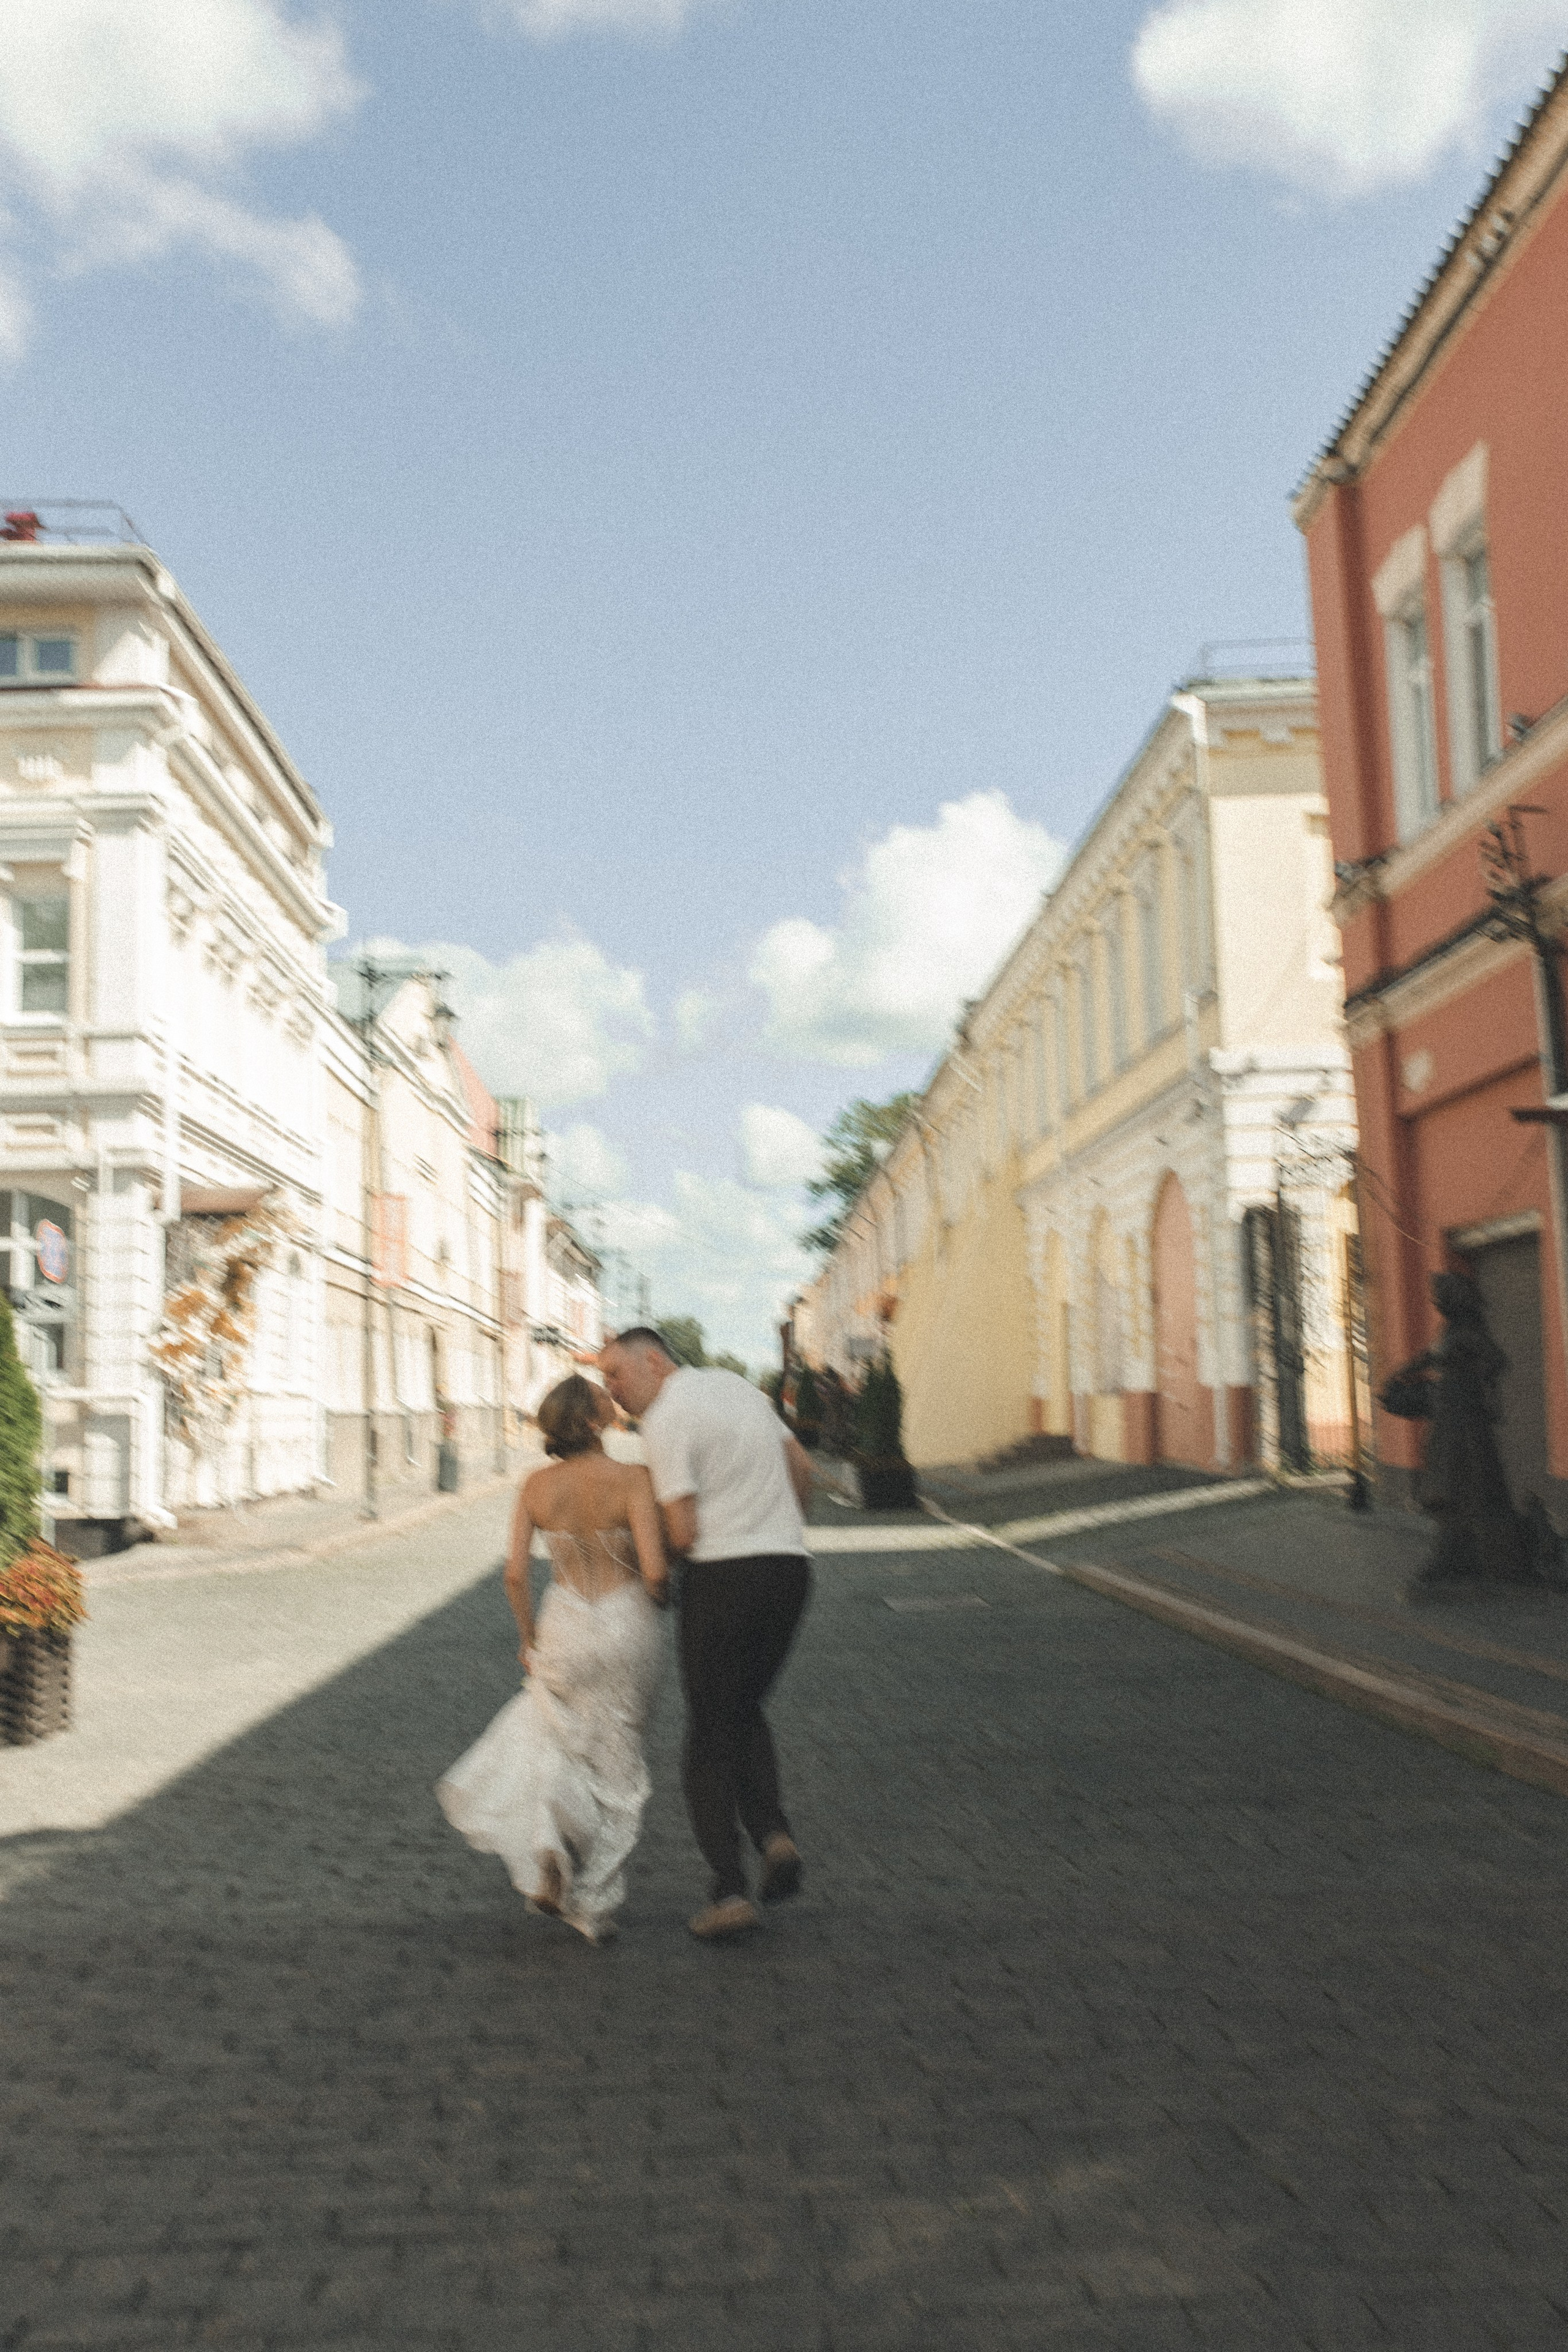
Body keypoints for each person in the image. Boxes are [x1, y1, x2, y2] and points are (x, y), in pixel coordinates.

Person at [436, 1374, 669, 1943]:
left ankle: (550, 1856)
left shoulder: (536, 1487)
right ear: (593, 1421)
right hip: (626, 1621)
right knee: (619, 1762)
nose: (613, 1401)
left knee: (559, 1742)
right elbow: (657, 1573)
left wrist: (528, 1639)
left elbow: (515, 1572)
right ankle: (595, 1901)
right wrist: (662, 1594)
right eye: (602, 1398)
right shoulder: (634, 1479)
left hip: (563, 1622)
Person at [600, 1327, 815, 1941]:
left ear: (654, 1361)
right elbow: (801, 1466)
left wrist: (651, 1573)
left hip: (723, 1582)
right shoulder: (738, 1388)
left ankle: (728, 1891)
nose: (611, 1391)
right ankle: (774, 1840)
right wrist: (781, 1529)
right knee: (742, 1710)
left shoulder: (664, 1420)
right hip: (788, 1572)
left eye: (616, 1374)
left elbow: (684, 1531)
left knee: (706, 1741)